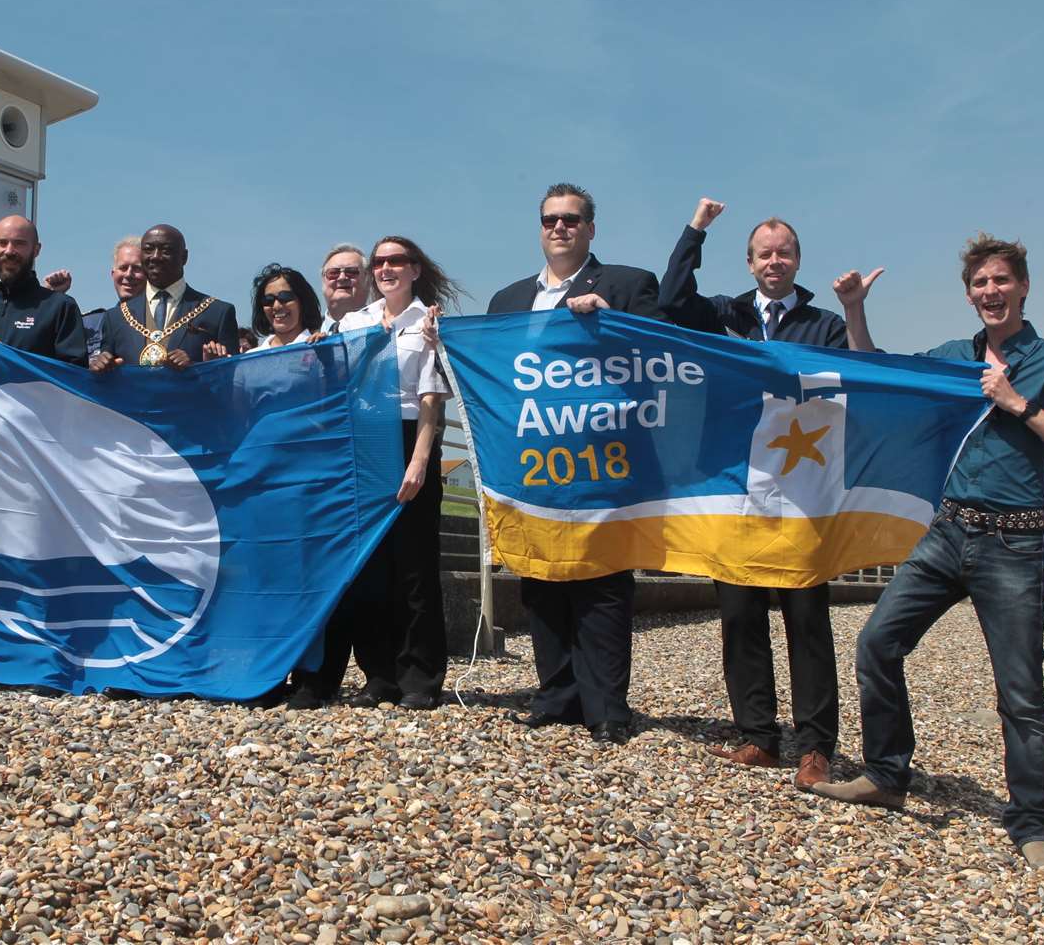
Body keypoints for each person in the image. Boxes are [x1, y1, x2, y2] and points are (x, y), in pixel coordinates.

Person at [812, 234, 1044, 873]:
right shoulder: (955, 357)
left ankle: (1033, 824)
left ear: (1023, 286)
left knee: (1020, 691)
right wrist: (855, 311)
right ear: (969, 293)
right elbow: (882, 377)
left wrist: (1016, 403)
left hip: (1014, 541)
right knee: (876, 644)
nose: (990, 292)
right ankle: (886, 775)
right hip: (947, 533)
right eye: (979, 284)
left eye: (1001, 281)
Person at [658, 198, 847, 789]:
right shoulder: (723, 313)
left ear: (797, 260)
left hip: (802, 490)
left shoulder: (826, 325)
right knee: (740, 616)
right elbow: (668, 301)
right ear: (748, 263)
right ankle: (758, 736)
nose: (775, 260)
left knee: (806, 619)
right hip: (735, 485)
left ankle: (816, 745)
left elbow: (852, 383)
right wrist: (696, 230)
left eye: (784, 252)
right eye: (764, 253)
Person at [486, 182, 660, 745]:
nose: (559, 228)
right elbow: (491, 372)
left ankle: (607, 705)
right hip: (533, 459)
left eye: (570, 220)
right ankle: (556, 694)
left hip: (603, 458)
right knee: (540, 579)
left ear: (590, 228)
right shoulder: (507, 301)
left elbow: (659, 354)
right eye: (549, 220)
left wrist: (609, 324)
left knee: (603, 582)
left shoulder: (629, 284)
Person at [288, 237, 459, 712]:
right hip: (362, 442)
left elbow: (430, 400)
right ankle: (379, 673)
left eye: (395, 261)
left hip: (407, 439)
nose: (385, 269)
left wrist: (421, 461)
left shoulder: (428, 321)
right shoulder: (356, 322)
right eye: (379, 262)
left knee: (415, 567)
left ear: (414, 269)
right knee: (370, 568)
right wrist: (320, 349)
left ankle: (421, 676)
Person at [89, 225, 238, 371]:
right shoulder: (116, 317)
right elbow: (107, 376)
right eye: (148, 250)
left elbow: (234, 381)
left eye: (165, 251)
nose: (155, 256)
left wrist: (197, 367)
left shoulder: (217, 312)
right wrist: (100, 368)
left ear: (184, 257)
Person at [0, 215, 87, 364]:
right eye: (2, 243)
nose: (9, 251)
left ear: (36, 250)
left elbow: (74, 375)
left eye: (19, 243)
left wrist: (12, 359)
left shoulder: (60, 308)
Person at [84, 237, 147, 356]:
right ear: (113, 274)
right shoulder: (90, 324)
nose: (129, 274)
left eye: (137, 268)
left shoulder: (161, 324)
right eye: (123, 268)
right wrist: (52, 296)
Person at [248, 264, 322, 350]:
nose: (276, 306)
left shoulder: (320, 349)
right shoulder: (251, 358)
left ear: (303, 301)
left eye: (285, 297)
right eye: (268, 300)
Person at [318, 243, 370, 332]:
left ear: (367, 279)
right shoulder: (304, 337)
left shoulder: (384, 327)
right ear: (323, 280)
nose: (342, 277)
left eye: (351, 272)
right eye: (333, 273)